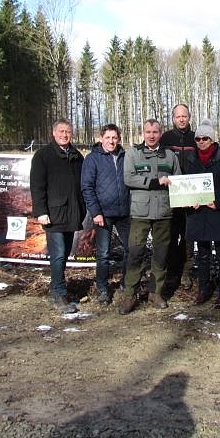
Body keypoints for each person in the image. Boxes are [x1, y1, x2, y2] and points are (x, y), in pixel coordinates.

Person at [119, 119, 182, 314]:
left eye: (155, 132)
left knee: (161, 254)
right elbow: (129, 178)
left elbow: (178, 180)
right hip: (140, 212)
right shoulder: (133, 153)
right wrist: (154, 182)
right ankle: (130, 294)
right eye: (148, 132)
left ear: (160, 133)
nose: (152, 135)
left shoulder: (170, 156)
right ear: (143, 133)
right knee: (135, 253)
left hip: (164, 212)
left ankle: (156, 292)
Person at [30, 119, 86, 314]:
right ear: (54, 133)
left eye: (68, 132)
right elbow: (37, 186)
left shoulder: (77, 156)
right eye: (61, 131)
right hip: (53, 215)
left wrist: (82, 209)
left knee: (64, 255)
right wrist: (41, 211)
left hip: (72, 214)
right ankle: (57, 293)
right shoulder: (43, 156)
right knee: (58, 254)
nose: (64, 135)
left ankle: (59, 290)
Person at [182, 119, 220, 308]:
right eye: (198, 138)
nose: (201, 141)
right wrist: (190, 202)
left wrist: (219, 202)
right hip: (198, 213)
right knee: (203, 253)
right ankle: (203, 289)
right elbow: (186, 184)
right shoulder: (190, 159)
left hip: (218, 212)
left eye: (205, 138)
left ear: (212, 140)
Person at [80, 123, 131, 304]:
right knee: (103, 253)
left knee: (130, 249)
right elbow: (87, 187)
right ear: (101, 138)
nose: (111, 141)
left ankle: (127, 285)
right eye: (108, 137)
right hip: (103, 214)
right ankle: (102, 289)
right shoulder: (93, 159)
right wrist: (96, 212)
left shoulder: (125, 156)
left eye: (114, 138)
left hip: (125, 212)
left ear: (119, 139)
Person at [160, 103, 197, 291]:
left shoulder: (196, 137)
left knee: (189, 237)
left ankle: (186, 273)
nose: (181, 119)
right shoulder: (165, 138)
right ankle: (172, 272)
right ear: (173, 118)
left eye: (184, 116)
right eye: (177, 116)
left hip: (191, 195)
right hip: (170, 196)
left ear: (189, 117)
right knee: (171, 236)